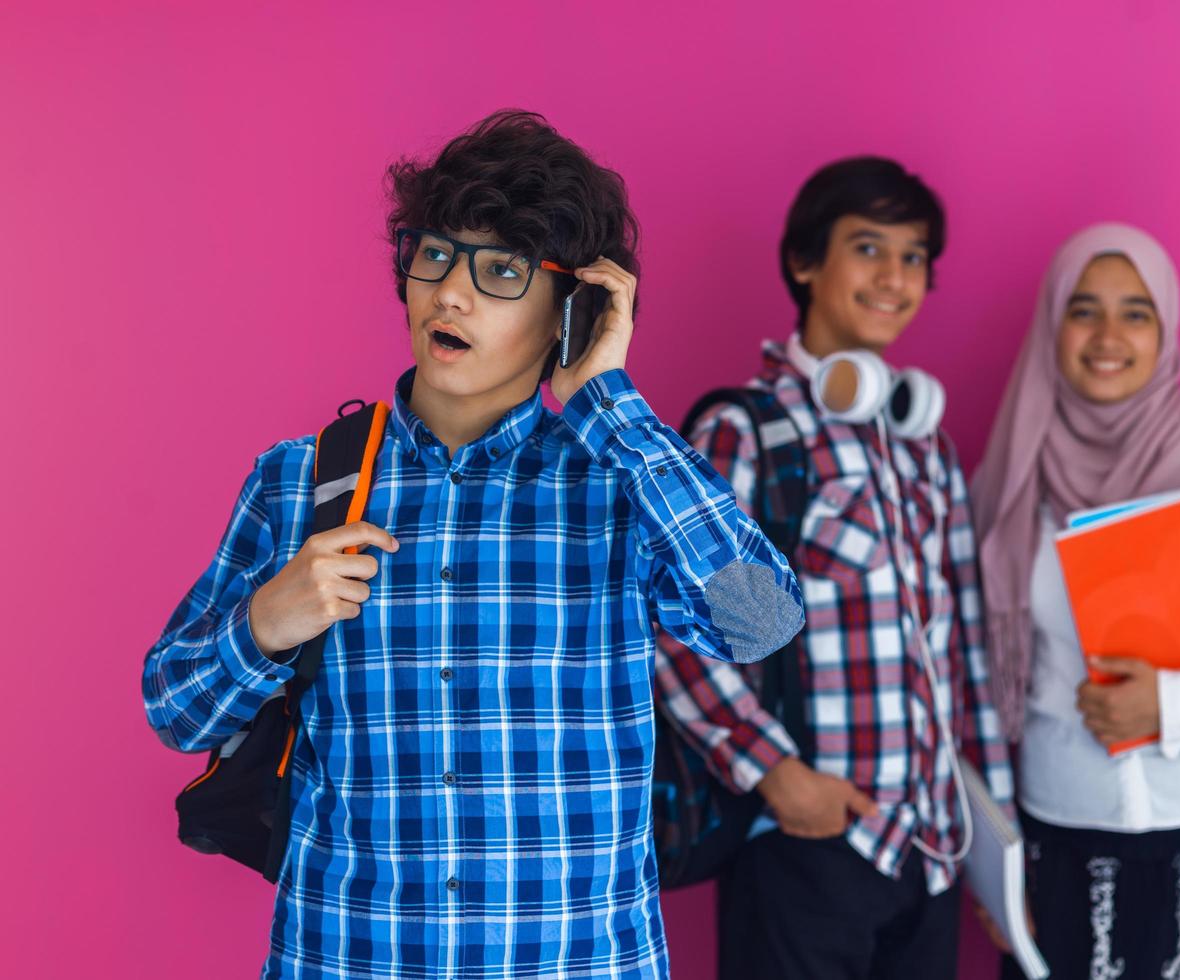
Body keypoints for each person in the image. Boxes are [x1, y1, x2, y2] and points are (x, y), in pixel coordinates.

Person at [143, 110, 803, 980]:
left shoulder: (621, 484)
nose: (449, 293)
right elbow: (173, 708)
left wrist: (609, 398)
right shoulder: (300, 481)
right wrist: (264, 624)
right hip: (348, 957)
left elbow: (761, 622)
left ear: (574, 306)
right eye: (435, 254)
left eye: (500, 270)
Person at [655, 156, 1012, 980]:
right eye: (868, 248)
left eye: (913, 256)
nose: (894, 277)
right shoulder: (745, 433)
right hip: (807, 846)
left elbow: (960, 657)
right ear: (805, 262)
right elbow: (674, 631)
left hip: (928, 853)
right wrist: (776, 776)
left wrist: (996, 839)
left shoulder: (926, 447)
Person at [972, 222, 1180, 977]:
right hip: (1061, 850)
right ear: (1051, 324)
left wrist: (1174, 704)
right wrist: (988, 861)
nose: (1106, 335)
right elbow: (963, 682)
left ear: (1165, 329)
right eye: (1082, 309)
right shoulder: (1002, 491)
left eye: (1135, 312)